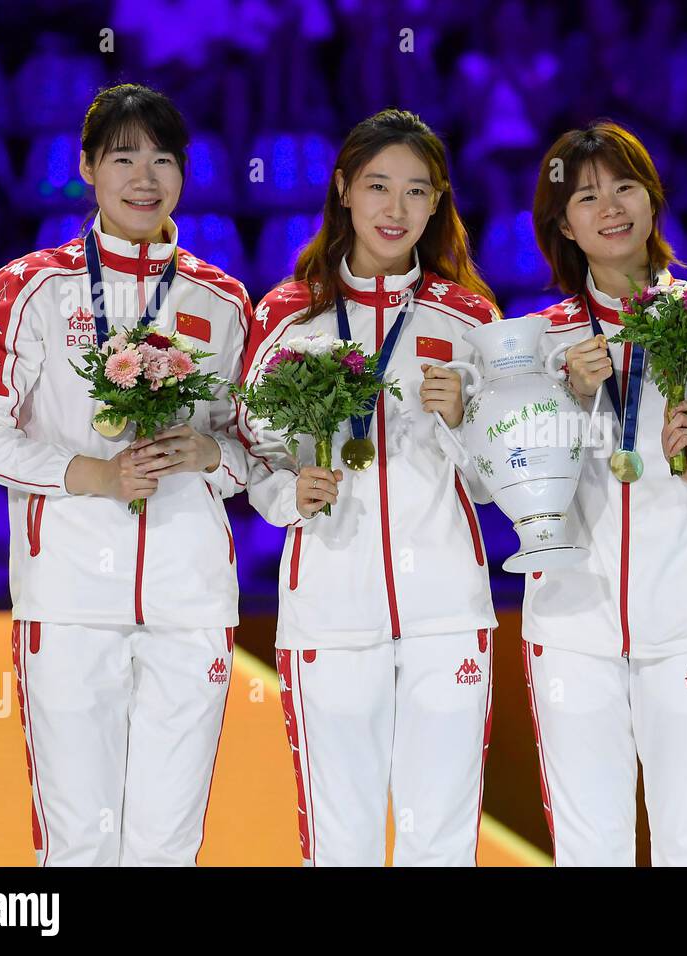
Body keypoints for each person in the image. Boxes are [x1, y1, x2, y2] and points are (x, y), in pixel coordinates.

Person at [0, 83, 255, 866]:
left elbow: (258, 449)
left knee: (166, 843)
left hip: (191, 602)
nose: (144, 176)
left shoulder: (222, 301)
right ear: (87, 167)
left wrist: (212, 457)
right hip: (71, 599)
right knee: (81, 841)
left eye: (162, 159)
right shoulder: (32, 288)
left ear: (184, 174)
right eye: (124, 157)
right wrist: (89, 473)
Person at [522, 121, 687, 866]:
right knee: (590, 850)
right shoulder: (537, 343)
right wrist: (569, 405)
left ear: (652, 199)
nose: (610, 207)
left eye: (625, 187)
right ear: (563, 225)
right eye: (586, 196)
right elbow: (495, 486)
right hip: (572, 625)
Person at [239, 109, 498, 867]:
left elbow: (495, 483)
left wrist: (465, 420)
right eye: (379, 186)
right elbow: (251, 445)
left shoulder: (470, 316)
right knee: (340, 840)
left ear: (437, 202)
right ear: (344, 189)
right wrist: (292, 496)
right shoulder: (287, 315)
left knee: (442, 840)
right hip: (330, 609)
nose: (395, 209)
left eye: (416, 192)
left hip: (447, 610)